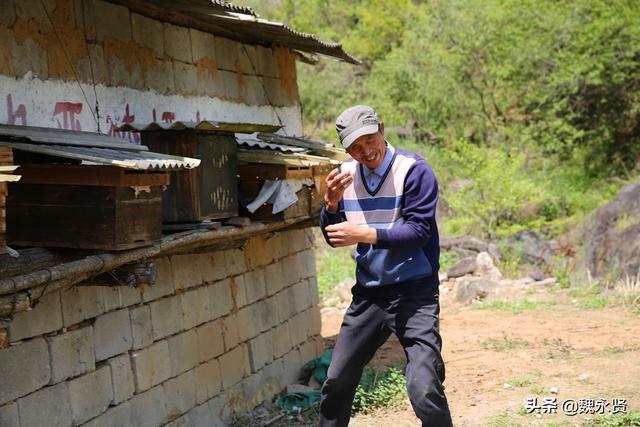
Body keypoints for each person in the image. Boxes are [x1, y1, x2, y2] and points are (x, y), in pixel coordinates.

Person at [318, 105, 453, 427]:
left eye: (369, 140)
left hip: (415, 294)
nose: (365, 152)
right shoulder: (345, 174)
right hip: (369, 295)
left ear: (381, 128)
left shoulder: (414, 170)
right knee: (336, 382)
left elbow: (419, 232)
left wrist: (364, 233)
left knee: (424, 387)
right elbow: (333, 236)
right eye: (355, 147)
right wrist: (331, 204)